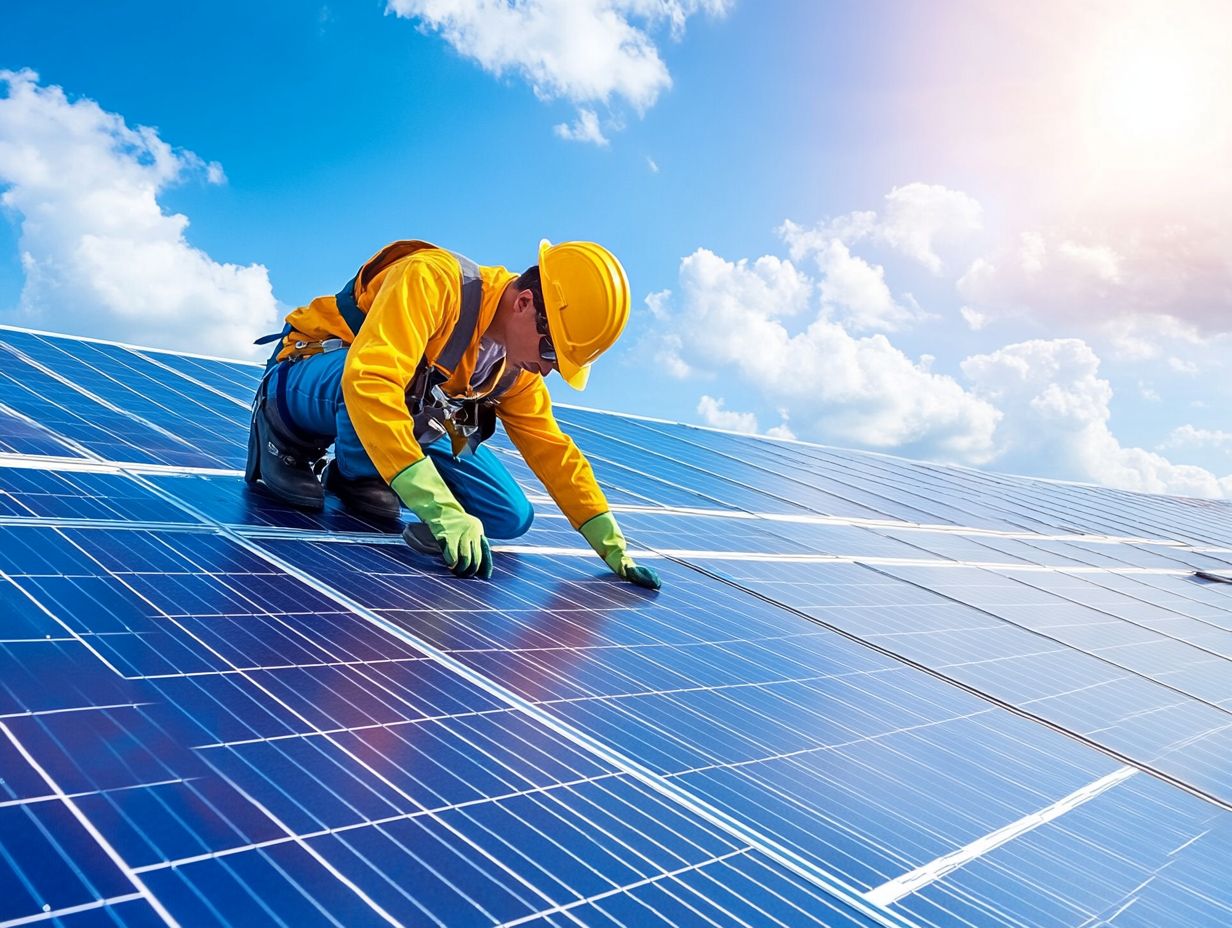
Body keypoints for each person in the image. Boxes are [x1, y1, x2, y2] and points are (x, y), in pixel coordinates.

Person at [245, 238, 661, 589]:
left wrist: (609, 540)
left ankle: (359, 474)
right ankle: (286, 437)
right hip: (309, 375)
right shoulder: (434, 280)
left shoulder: (514, 369)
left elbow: (552, 449)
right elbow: (369, 382)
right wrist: (439, 508)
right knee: (374, 377)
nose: (550, 367)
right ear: (525, 303)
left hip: (404, 411)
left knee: (510, 515)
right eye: (552, 350)